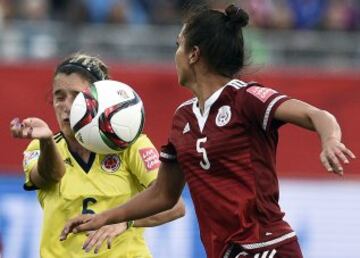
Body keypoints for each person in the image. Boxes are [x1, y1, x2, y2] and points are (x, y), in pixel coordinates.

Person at [60, 5, 356, 258]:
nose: (175, 54)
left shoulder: (245, 98)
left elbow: (316, 114)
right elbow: (163, 194)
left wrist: (329, 140)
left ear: (194, 54)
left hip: (266, 246)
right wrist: (105, 217)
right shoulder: (183, 118)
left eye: (179, 45)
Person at [9, 53, 185, 258]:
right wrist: (47, 141)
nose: (66, 105)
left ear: (98, 99)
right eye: (59, 96)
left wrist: (124, 221)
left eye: (76, 96)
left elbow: (174, 205)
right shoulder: (40, 147)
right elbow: (50, 175)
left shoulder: (129, 144)